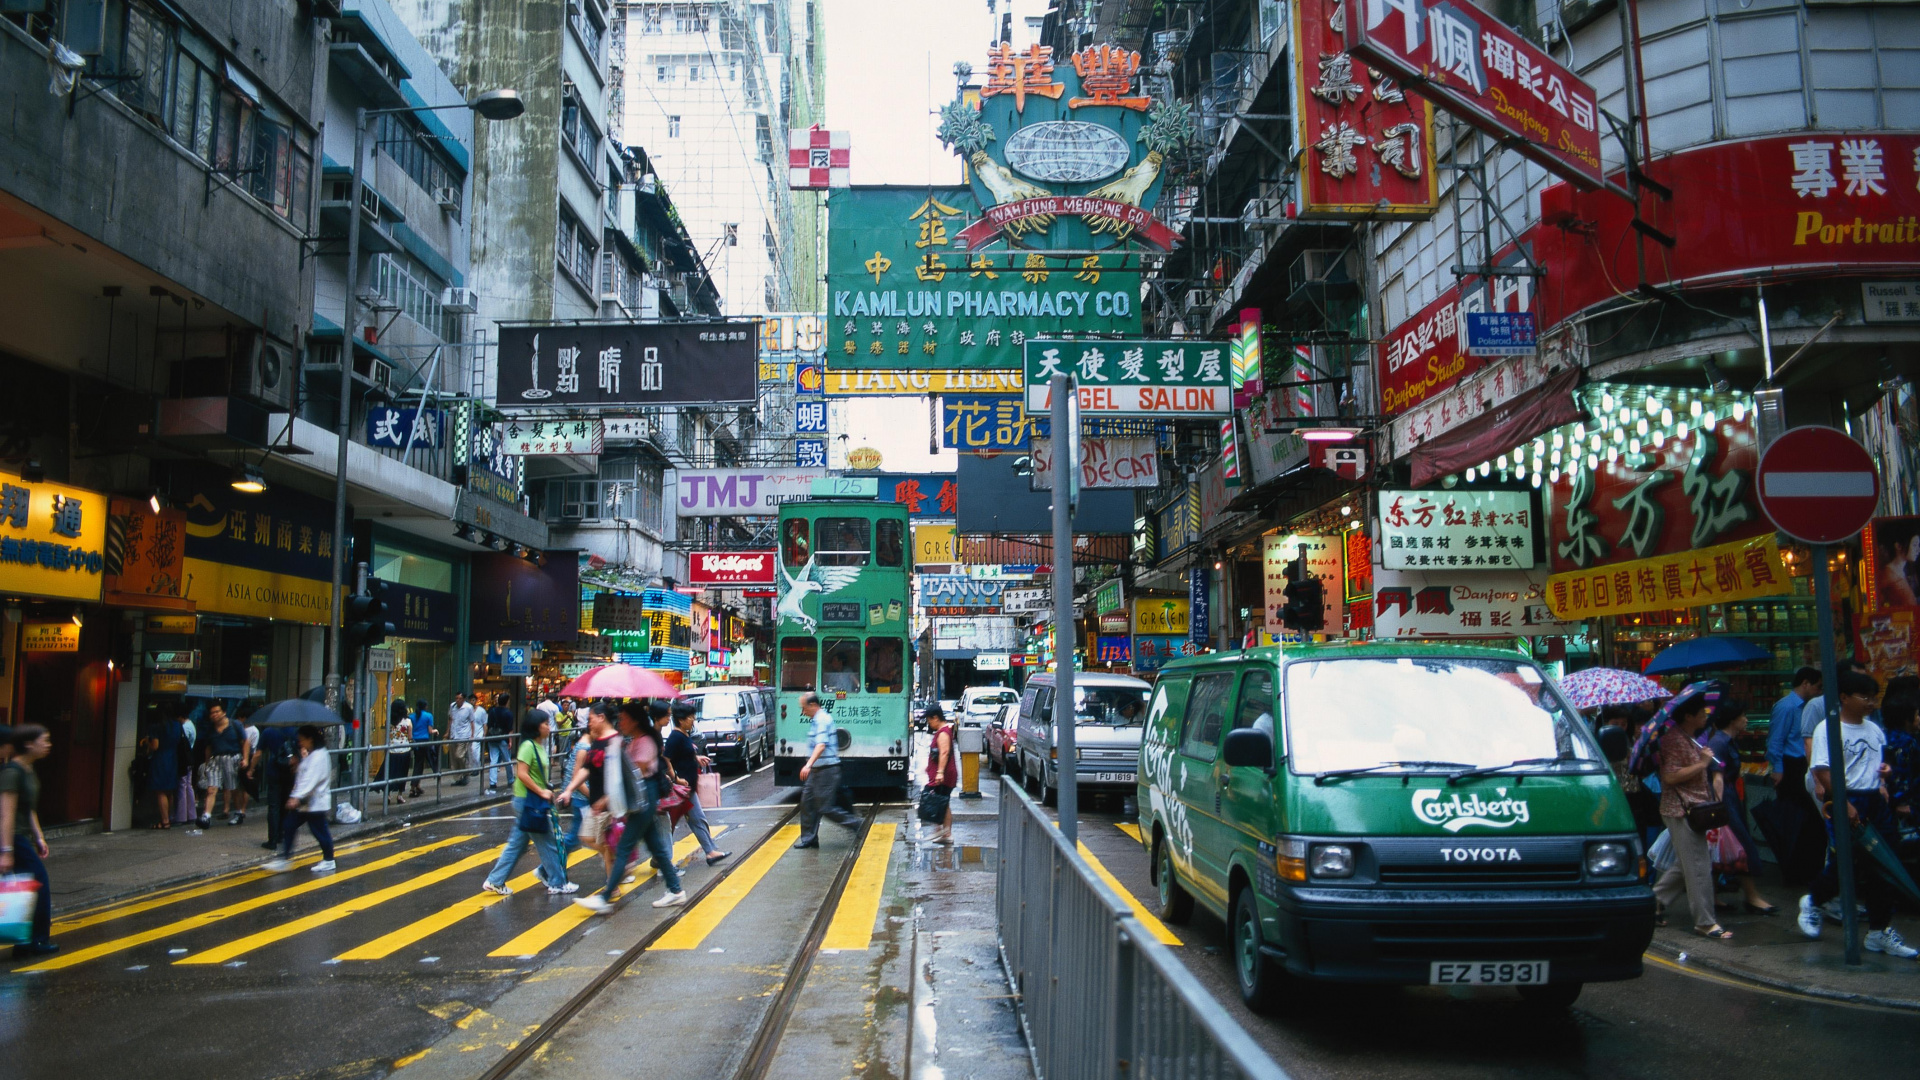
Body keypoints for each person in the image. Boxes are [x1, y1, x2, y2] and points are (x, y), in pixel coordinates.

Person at [1798, 671, 1916, 957]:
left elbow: (1880, 762)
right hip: (1847, 800)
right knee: (1848, 863)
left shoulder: (1874, 729)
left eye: (1874, 698)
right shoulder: (1828, 729)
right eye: (1865, 697)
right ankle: (1813, 901)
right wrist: (1844, 802)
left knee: (1885, 864)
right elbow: (1822, 769)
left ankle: (1879, 930)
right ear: (1845, 698)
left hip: (1875, 800)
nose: (1871, 703)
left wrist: (1884, 778)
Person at [574, 706, 686, 912]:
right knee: (657, 849)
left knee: (624, 847)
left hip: (644, 796)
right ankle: (676, 890)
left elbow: (635, 774)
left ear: (634, 721)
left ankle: (606, 897)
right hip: (643, 796)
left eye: (624, 719)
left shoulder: (644, 741)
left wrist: (617, 755)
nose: (620, 723)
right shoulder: (634, 741)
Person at [1651, 688, 1731, 940]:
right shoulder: (1674, 739)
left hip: (1692, 809)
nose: (1706, 715)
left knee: (1688, 863)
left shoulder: (1690, 737)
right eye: (1701, 712)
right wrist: (1703, 764)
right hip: (1681, 810)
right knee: (1698, 866)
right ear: (1688, 716)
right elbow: (1670, 776)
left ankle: (1653, 901)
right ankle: (1705, 922)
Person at [481, 711, 574, 896]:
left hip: (529, 801)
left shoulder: (539, 746)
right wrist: (541, 791)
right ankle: (558, 882)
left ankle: (495, 880)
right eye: (545, 723)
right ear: (536, 726)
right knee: (548, 841)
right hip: (528, 802)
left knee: (517, 844)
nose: (549, 726)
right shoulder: (528, 746)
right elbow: (521, 774)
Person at [1704, 696, 1776, 915]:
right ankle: (1751, 896)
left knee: (1722, 849)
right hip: (1724, 799)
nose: (1746, 720)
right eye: (1742, 716)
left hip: (1731, 796)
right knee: (1742, 846)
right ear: (1732, 720)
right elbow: (1717, 776)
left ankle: (1714, 896)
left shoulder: (1729, 740)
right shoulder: (1719, 742)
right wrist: (1718, 807)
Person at [1, 724, 56, 958]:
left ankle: (28, 940)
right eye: (44, 740)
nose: (48, 744)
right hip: (12, 837)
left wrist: (39, 836)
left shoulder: (28, 770)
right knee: (38, 884)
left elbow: (29, 808)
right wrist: (6, 851)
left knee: (32, 886)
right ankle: (33, 941)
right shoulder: (12, 772)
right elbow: (6, 813)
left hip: (22, 837)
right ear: (28, 744)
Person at [557, 705, 619, 883]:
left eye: (591, 719)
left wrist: (606, 798)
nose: (588, 723)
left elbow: (620, 778)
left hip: (610, 805)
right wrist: (569, 789)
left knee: (604, 844)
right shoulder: (597, 742)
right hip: (596, 803)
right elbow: (586, 769)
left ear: (601, 717)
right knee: (588, 837)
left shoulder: (615, 742)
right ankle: (616, 871)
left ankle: (611, 886)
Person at [664, 700, 730, 866]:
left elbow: (684, 754)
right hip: (681, 789)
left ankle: (710, 852)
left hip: (688, 789)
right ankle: (662, 858)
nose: (693, 720)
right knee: (673, 825)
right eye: (690, 717)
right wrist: (676, 778)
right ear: (681, 719)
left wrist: (696, 758)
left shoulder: (684, 735)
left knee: (694, 820)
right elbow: (665, 759)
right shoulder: (675, 737)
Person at [794, 692, 863, 849]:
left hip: (826, 770)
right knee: (807, 803)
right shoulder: (816, 720)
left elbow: (821, 745)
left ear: (813, 705)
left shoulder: (823, 720)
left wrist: (808, 764)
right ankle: (809, 839)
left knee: (825, 807)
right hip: (817, 771)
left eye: (804, 708)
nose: (803, 712)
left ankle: (856, 824)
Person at [264, 725, 336, 872]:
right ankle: (285, 858)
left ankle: (329, 860)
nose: (300, 743)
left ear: (310, 739)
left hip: (314, 803)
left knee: (319, 831)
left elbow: (310, 779)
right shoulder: (313, 754)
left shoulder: (318, 756)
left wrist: (296, 796)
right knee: (289, 825)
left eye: (302, 740)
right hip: (308, 802)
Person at [1768, 667, 1823, 815]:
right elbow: (1776, 740)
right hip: (1791, 764)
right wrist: (1779, 768)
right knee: (1793, 811)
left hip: (1803, 762)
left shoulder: (1809, 706)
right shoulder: (1786, 706)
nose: (1819, 692)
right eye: (1817, 687)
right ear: (1805, 683)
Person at [197, 702, 249, 828]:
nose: (214, 715)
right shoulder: (210, 729)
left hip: (232, 757)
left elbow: (245, 742)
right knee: (211, 788)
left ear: (224, 712)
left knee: (233, 788)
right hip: (216, 759)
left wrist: (246, 759)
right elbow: (208, 748)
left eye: (217, 712)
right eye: (212, 713)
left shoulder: (235, 724)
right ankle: (206, 816)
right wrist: (207, 763)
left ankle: (238, 813)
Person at [142, 711, 187, 830]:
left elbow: (155, 746)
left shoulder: (156, 727)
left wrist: (147, 742)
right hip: (173, 758)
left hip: (160, 759)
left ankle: (165, 820)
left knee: (160, 791)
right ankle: (169, 818)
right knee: (169, 791)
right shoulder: (177, 725)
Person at [255, 721, 295, 851]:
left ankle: (272, 840)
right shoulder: (295, 731)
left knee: (273, 807)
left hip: (274, 772)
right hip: (289, 772)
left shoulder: (268, 731)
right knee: (285, 805)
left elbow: (258, 753)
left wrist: (251, 769)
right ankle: (281, 835)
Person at [924, 706, 957, 845]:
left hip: (944, 775)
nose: (929, 724)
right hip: (944, 774)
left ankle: (943, 831)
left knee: (940, 801)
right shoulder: (942, 731)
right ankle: (945, 833)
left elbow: (944, 752)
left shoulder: (943, 733)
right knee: (943, 801)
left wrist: (939, 772)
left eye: (929, 720)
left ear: (936, 718)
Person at [485, 693, 516, 792]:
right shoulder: (508, 713)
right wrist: (510, 741)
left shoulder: (492, 711)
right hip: (503, 738)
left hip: (492, 738)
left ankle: (492, 782)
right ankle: (510, 779)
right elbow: (510, 729)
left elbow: (488, 725)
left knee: (493, 760)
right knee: (507, 760)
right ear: (507, 702)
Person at [447, 691, 479, 786]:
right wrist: (447, 732)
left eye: (459, 698)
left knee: (459, 755)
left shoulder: (468, 707)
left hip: (464, 735)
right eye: (456, 698)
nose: (457, 700)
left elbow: (472, 722)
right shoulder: (452, 706)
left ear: (463, 699)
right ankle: (458, 778)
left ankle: (466, 773)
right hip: (453, 735)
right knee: (454, 759)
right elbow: (450, 719)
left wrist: (472, 735)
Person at [385, 699, 414, 804]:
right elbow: (410, 737)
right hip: (404, 750)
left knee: (390, 773)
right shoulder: (408, 722)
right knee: (402, 773)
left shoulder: (389, 721)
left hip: (392, 750)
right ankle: (399, 795)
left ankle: (388, 795)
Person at [1880, 534, 1920, 608]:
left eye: (1918, 545)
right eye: (1914, 545)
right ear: (1898, 546)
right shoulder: (1888, 574)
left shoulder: (1903, 571)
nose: (1918, 550)